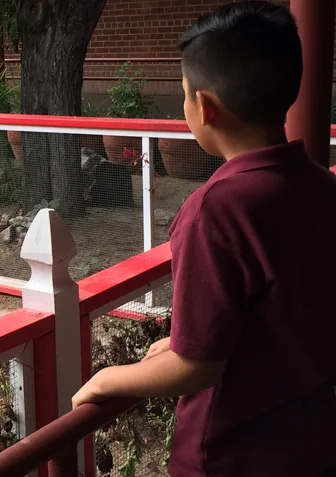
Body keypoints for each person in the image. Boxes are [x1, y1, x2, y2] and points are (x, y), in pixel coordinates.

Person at [71, 2, 336, 476]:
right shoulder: (320, 186)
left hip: (232, 456)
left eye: (186, 95)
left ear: (206, 108)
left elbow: (198, 366)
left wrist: (110, 380)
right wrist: (178, 342)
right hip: (312, 441)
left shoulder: (216, 210)